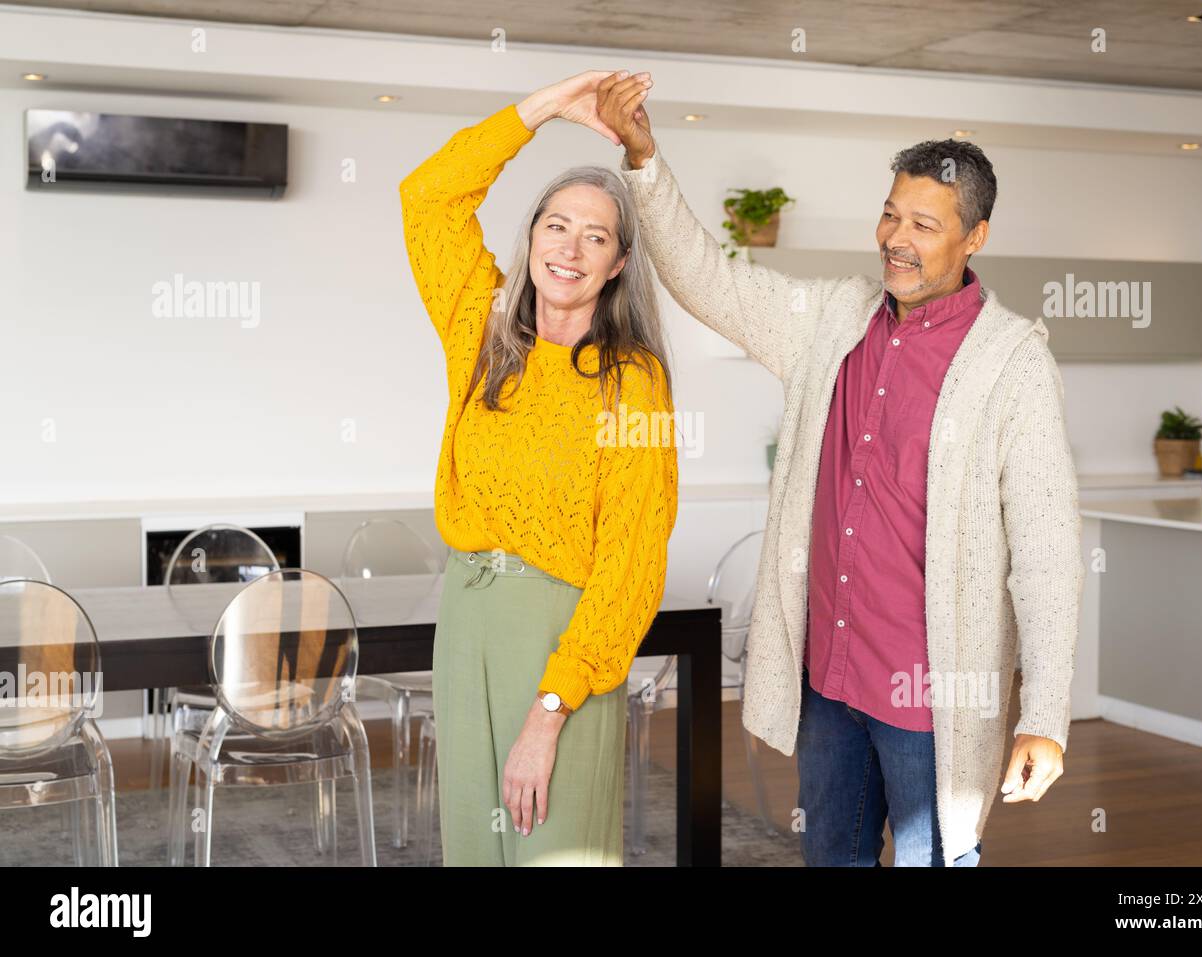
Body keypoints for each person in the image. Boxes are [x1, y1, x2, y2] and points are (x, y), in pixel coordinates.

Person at [585, 70, 1082, 866]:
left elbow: (1049, 554)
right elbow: (710, 280)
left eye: (924, 222)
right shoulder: (833, 320)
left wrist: (1046, 717)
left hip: (933, 700)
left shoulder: (1014, 363)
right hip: (833, 682)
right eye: (891, 212)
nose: (897, 236)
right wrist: (645, 157)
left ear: (974, 237)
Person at [398, 70, 678, 866]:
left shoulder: (633, 382)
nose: (570, 248)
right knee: (475, 851)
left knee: (558, 850)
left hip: (565, 639)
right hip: (467, 617)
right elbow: (429, 198)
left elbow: (631, 564)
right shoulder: (480, 331)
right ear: (531, 238)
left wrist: (549, 708)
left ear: (619, 263)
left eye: (595, 236)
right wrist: (544, 110)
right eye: (556, 225)